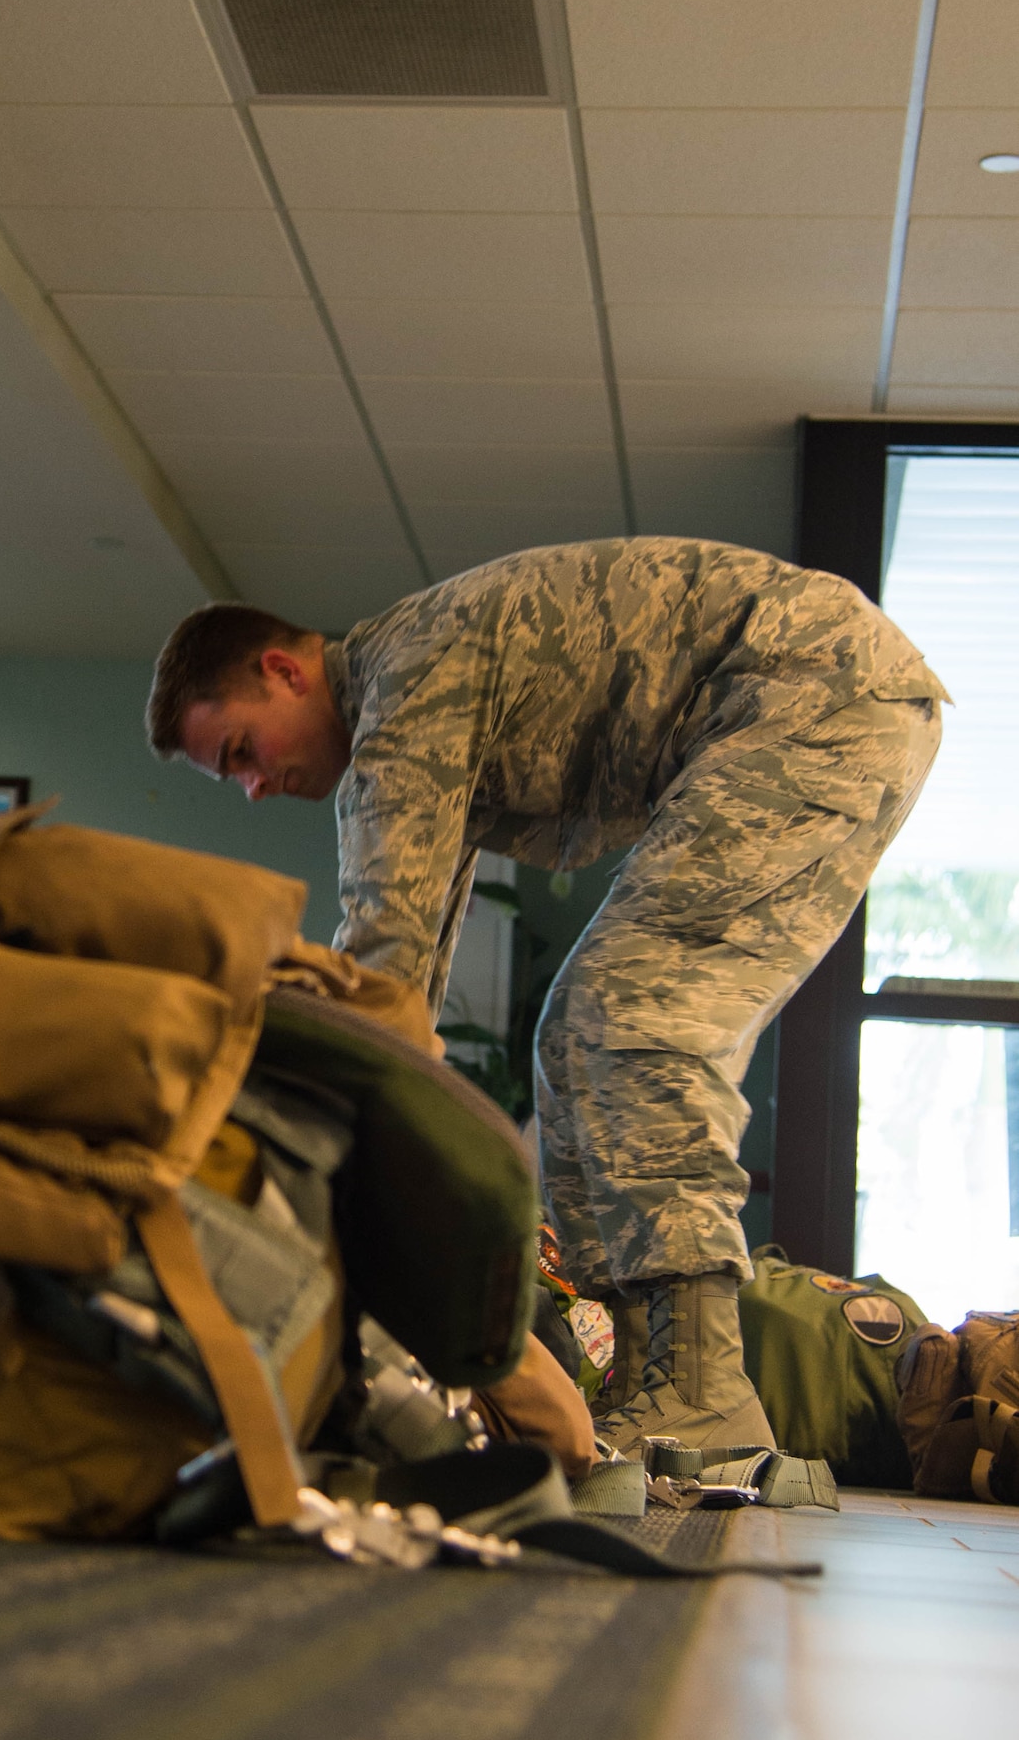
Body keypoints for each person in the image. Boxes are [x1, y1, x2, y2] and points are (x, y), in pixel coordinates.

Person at [146, 540, 945, 1456]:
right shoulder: (409, 694)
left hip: (813, 692)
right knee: (572, 1033)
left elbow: (381, 971)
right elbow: (409, 988)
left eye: (242, 750)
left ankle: (703, 1388)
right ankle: (650, 1377)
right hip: (824, 700)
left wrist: (271, 1132)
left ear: (284, 670)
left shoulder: (403, 697)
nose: (252, 787)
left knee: (629, 1008)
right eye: (231, 775)